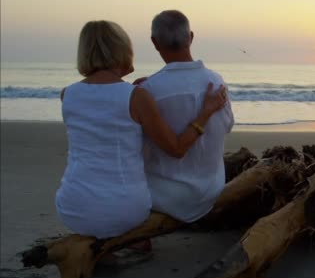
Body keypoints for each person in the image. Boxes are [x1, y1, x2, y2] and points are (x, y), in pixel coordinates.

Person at [55, 20, 228, 239]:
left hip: (72, 207)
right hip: (125, 211)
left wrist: (141, 88)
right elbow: (176, 149)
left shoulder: (67, 94)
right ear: (122, 50)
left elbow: (103, 102)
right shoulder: (137, 97)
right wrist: (205, 112)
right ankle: (133, 241)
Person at [134, 10, 234, 223]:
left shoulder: (149, 90)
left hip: (166, 196)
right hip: (212, 188)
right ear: (191, 37)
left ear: (154, 42)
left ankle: (139, 239)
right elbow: (227, 126)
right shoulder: (216, 82)